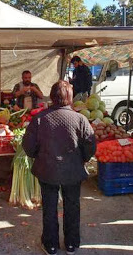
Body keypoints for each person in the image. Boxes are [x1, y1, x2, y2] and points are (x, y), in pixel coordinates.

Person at [22, 80, 96, 255]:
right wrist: (82, 159)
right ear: (70, 97)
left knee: (49, 207)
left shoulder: (39, 119)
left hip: (47, 170)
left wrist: (37, 156)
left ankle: (51, 246)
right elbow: (91, 145)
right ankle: (71, 244)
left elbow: (28, 146)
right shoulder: (80, 119)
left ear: (52, 97)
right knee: (72, 206)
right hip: (72, 171)